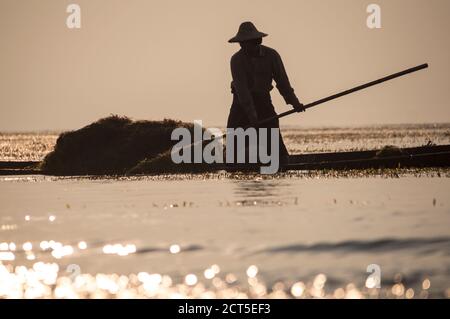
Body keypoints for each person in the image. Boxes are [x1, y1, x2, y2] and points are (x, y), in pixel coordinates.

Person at [227, 21, 305, 168]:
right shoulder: (236, 60)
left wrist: (295, 103)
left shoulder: (272, 55)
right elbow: (243, 92)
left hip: (263, 102)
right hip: (241, 105)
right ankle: (234, 164)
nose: (244, 46)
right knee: (235, 145)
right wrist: (252, 117)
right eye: (242, 44)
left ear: (257, 41)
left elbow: (283, 83)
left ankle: (279, 163)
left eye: (247, 43)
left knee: (273, 144)